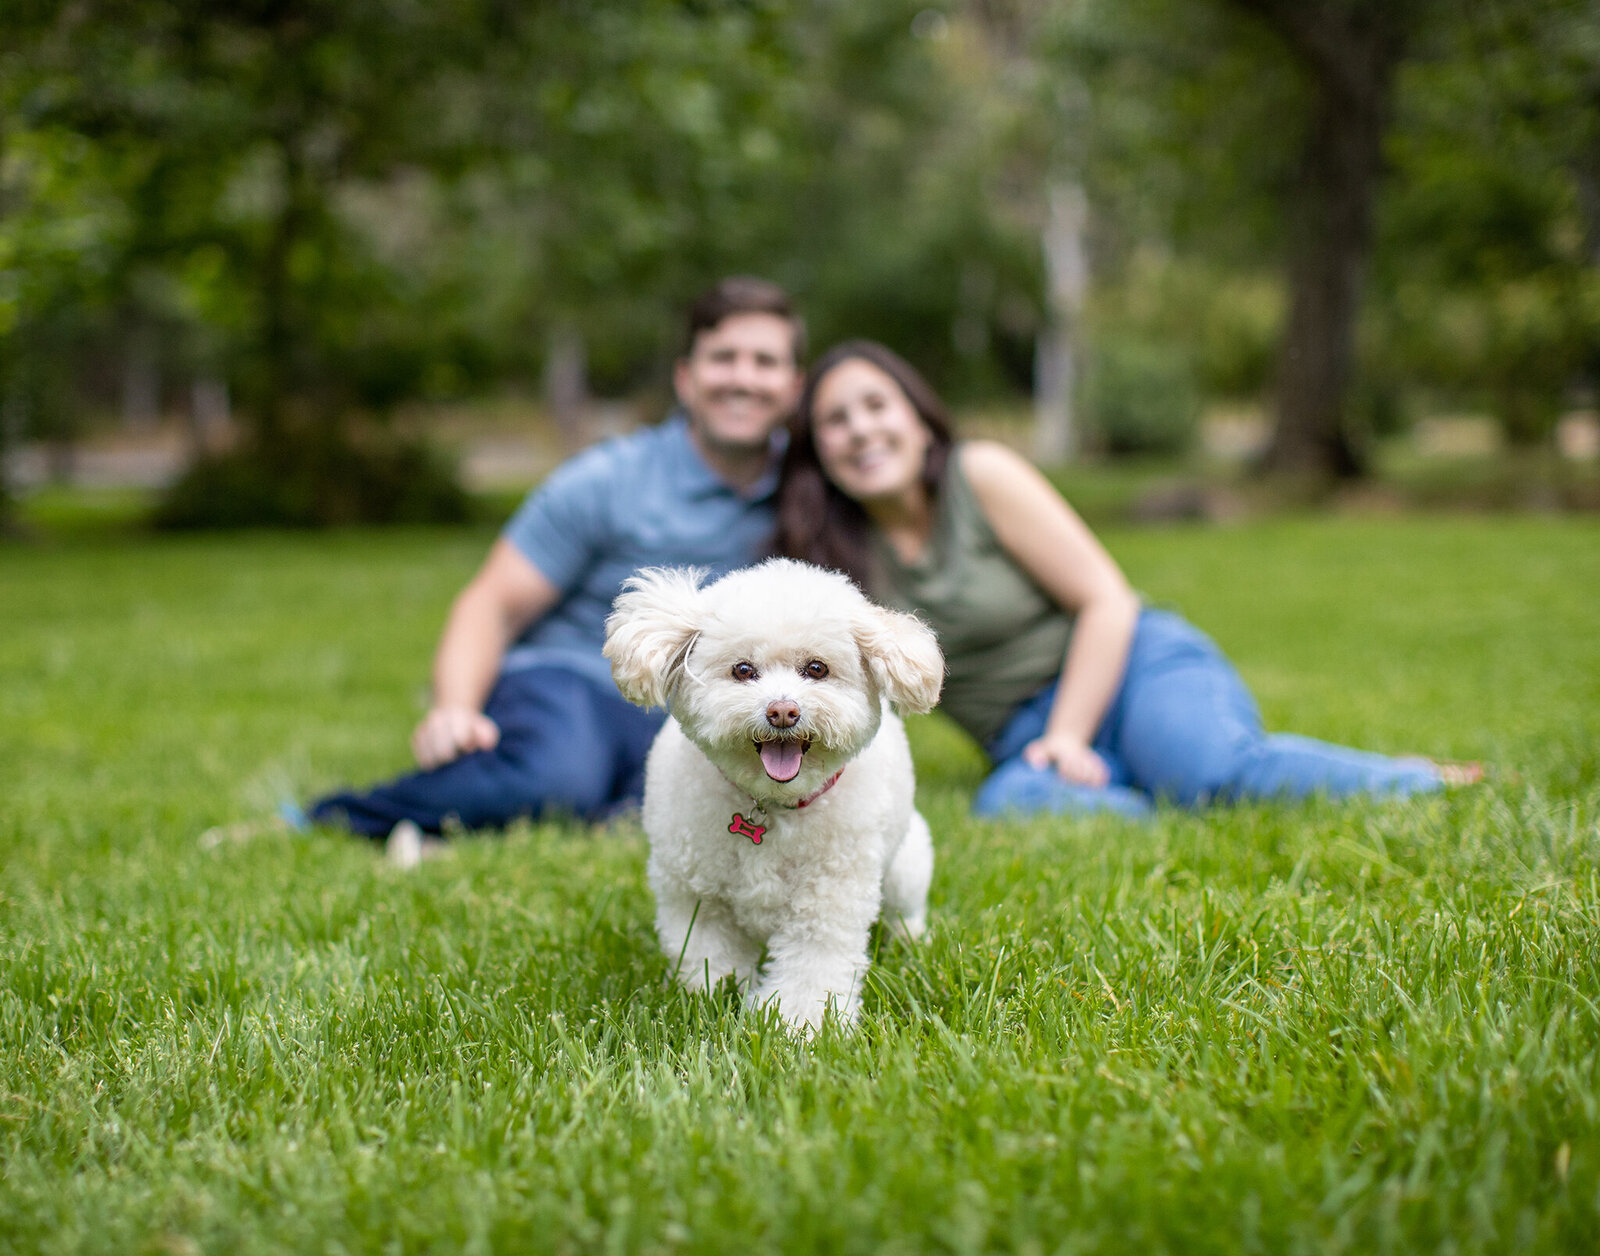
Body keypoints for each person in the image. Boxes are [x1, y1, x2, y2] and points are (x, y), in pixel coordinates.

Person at [775, 340, 1478, 819]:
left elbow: (1108, 599)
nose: (861, 430)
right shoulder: (833, 557)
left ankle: (1424, 783)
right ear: (817, 451)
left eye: (876, 405)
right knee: (1008, 804)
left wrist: (1072, 737)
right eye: (835, 421)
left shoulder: (980, 474)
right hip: (1021, 735)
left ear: (919, 419)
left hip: (1128, 665)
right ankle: (1148, 787)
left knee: (1213, 776)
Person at [305, 278, 805, 842]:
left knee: (710, 810)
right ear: (685, 379)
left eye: (765, 362)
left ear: (793, 387)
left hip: (694, 708)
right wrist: (453, 708)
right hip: (572, 678)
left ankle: (601, 808)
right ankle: (334, 817)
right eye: (723, 358)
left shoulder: (810, 494)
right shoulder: (607, 479)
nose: (742, 377)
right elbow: (490, 603)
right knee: (552, 782)